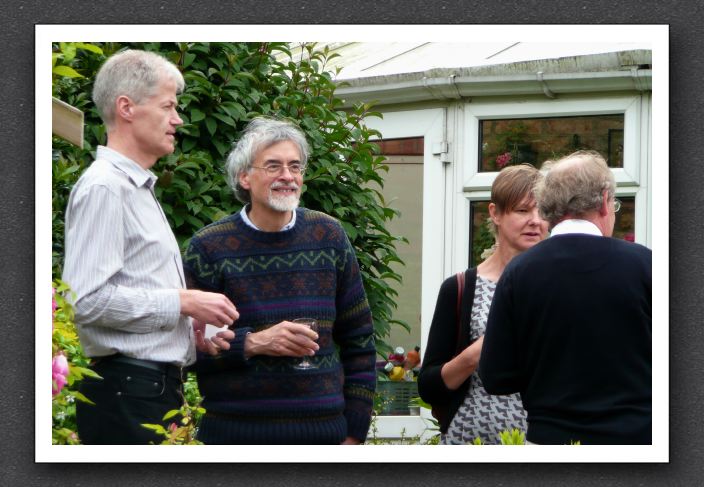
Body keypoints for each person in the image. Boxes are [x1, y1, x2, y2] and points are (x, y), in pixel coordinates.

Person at [62, 49, 239, 445]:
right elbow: (85, 300)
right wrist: (182, 302)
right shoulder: (106, 187)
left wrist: (187, 329)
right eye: (168, 106)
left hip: (143, 391)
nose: (178, 119)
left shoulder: (133, 187)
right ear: (126, 108)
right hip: (129, 393)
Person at [182, 116, 376, 445]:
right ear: (244, 176)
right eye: (273, 166)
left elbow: (360, 340)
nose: (287, 176)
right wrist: (255, 343)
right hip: (236, 439)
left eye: (295, 166)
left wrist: (355, 433)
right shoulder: (209, 247)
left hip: (324, 438)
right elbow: (190, 348)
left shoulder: (329, 236)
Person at [479, 150, 652, 445]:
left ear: (547, 206)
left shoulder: (519, 273)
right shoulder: (645, 265)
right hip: (636, 441)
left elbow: (496, 377)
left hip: (551, 440)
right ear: (605, 201)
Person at [417, 164, 548, 444]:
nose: (535, 221)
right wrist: (481, 349)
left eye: (543, 211)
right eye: (523, 210)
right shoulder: (461, 287)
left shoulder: (558, 287)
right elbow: (429, 387)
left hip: (543, 445)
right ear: (495, 213)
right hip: (469, 443)